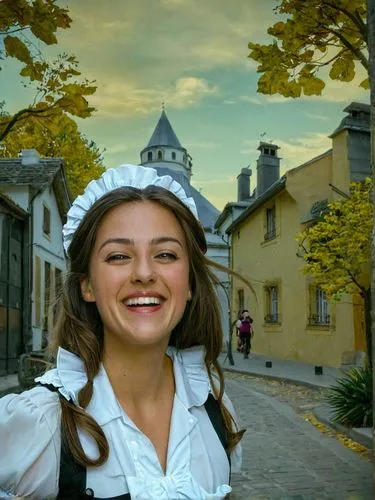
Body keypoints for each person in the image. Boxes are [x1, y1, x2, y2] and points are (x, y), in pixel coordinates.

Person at [0, 165, 245, 500]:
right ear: (87, 284)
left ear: (188, 282)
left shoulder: (212, 405)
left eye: (165, 254)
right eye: (118, 256)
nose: (144, 273)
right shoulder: (43, 425)